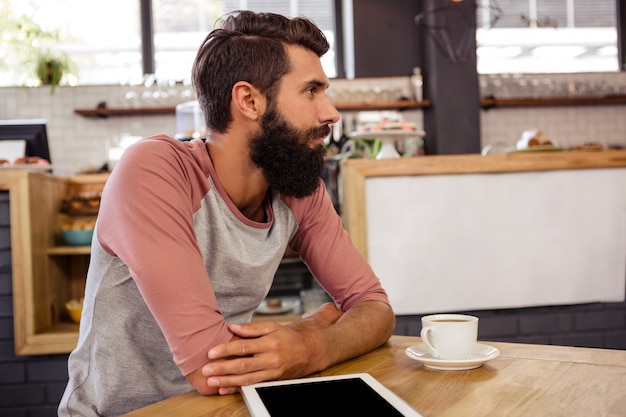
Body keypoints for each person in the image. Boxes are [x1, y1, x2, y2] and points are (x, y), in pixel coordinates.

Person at [59, 10, 395, 416]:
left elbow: (375, 308)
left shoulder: (296, 184)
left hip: (231, 408)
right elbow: (212, 367)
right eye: (311, 91)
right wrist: (315, 327)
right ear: (249, 100)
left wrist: (310, 347)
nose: (330, 113)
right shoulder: (154, 170)